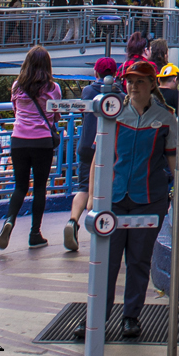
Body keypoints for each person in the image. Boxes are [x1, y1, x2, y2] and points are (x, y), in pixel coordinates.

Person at [72, 57, 179, 339]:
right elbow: (98, 156)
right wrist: (94, 196)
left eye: (139, 81)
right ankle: (96, 316)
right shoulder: (113, 113)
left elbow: (173, 159)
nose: (133, 86)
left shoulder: (166, 116)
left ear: (151, 84)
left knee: (139, 261)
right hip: (115, 199)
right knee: (105, 261)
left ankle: (131, 316)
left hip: (150, 197)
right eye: (129, 81)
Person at [0, 46, 61, 249]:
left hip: (18, 140)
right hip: (42, 141)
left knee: (20, 186)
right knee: (40, 188)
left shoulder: (17, 86)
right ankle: (35, 233)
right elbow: (55, 115)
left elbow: (16, 111)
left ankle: (9, 220)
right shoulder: (53, 88)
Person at [61, 55, 120, 252]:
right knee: (111, 187)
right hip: (110, 146)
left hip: (87, 145)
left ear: (96, 73)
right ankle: (107, 230)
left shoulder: (87, 91)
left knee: (84, 186)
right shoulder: (119, 94)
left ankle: (72, 222)